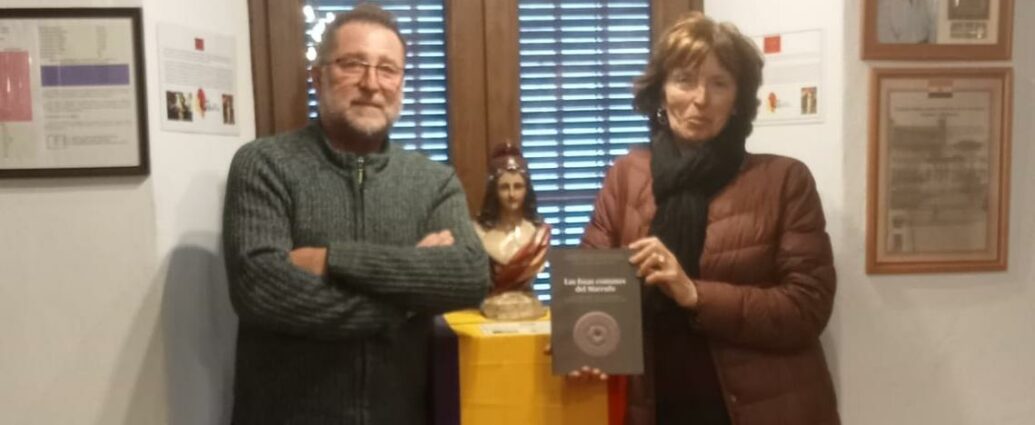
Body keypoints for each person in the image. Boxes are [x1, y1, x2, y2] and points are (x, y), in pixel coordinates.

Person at [221, 4, 489, 424]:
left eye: (387, 69)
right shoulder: (264, 165)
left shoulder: (433, 182)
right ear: (318, 76)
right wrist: (407, 301)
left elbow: (471, 276)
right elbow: (262, 292)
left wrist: (332, 259)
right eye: (352, 65)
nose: (371, 84)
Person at [580, 12, 839, 425]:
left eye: (719, 83)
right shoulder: (626, 176)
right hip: (651, 404)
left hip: (761, 408)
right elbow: (592, 292)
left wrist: (694, 293)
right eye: (684, 80)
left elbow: (807, 310)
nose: (701, 98)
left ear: (738, 99)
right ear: (661, 93)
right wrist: (586, 343)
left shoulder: (784, 180)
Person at [474, 144, 550, 320]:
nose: (511, 194)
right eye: (504, 187)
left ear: (527, 189)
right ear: (494, 191)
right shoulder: (478, 232)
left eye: (518, 186)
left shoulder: (539, 234)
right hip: (493, 308)